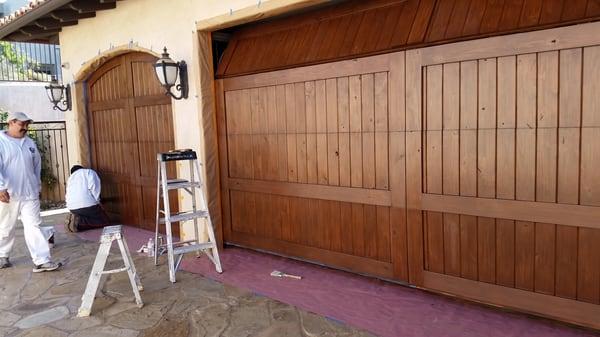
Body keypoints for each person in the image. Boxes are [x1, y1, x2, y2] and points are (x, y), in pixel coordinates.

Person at [0, 111, 62, 272]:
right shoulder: (1, 141)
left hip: (29, 194)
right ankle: (2, 255)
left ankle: (42, 260)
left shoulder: (29, 143)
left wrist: (38, 186)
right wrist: (0, 187)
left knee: (34, 226)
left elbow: (37, 166)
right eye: (22, 124)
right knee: (6, 227)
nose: (25, 127)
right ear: (11, 123)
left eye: (27, 124)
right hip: (8, 194)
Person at [65, 165, 110, 232]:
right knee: (105, 222)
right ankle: (79, 222)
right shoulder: (88, 172)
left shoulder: (70, 178)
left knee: (88, 217)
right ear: (82, 168)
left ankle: (76, 220)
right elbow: (94, 188)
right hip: (88, 205)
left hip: (72, 208)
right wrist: (98, 202)